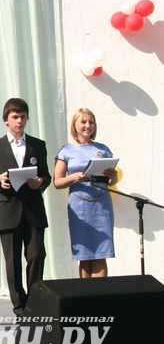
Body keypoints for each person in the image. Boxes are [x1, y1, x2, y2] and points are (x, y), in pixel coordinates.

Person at [0, 97, 50, 316]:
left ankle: (35, 299)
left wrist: (40, 182)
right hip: (8, 210)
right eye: (15, 117)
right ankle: (19, 305)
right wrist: (0, 180)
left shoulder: (37, 145)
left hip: (33, 210)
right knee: (12, 262)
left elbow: (46, 176)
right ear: (6, 120)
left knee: (37, 254)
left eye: (22, 117)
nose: (19, 121)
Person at [53, 108, 118, 278]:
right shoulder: (66, 150)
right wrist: (73, 177)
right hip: (79, 208)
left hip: (101, 206)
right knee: (85, 255)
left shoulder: (103, 149)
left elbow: (111, 181)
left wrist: (114, 177)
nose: (88, 125)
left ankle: (100, 299)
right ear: (75, 125)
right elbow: (57, 182)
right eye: (83, 122)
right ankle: (87, 299)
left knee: (101, 253)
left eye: (91, 122)